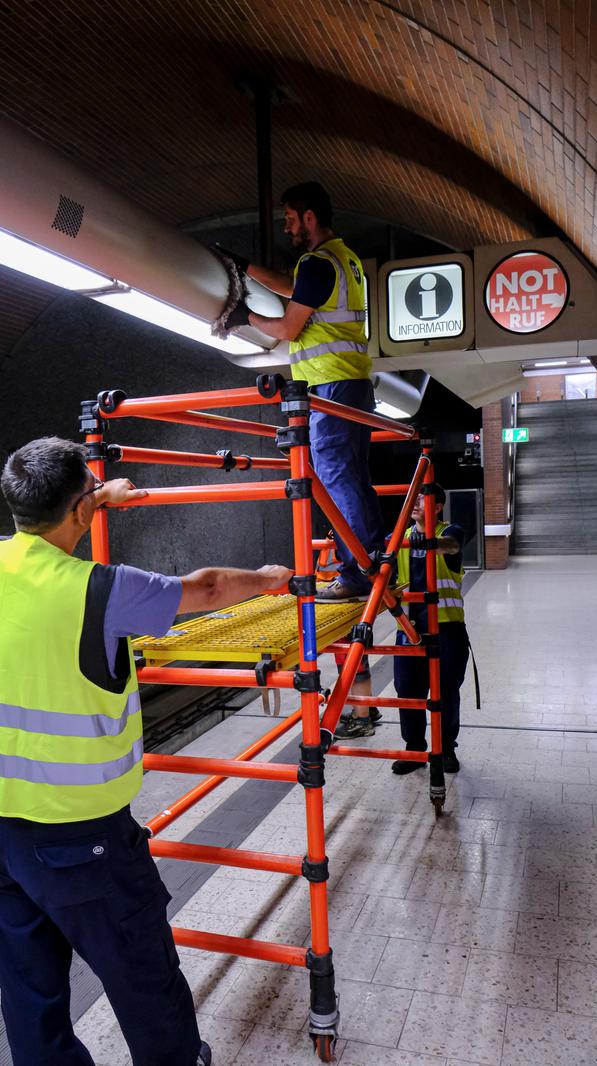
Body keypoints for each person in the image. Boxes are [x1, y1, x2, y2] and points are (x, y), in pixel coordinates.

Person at [0, 436, 292, 1066]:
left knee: (28, 988)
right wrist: (272, 581)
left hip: (5, 834)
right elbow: (208, 588)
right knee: (141, 974)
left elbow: (59, 517)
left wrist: (96, 496)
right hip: (83, 836)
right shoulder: (99, 590)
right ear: (80, 509)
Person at [221, 180, 386, 603]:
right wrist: (247, 267)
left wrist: (245, 317)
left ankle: (356, 573)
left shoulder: (317, 263)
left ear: (309, 217)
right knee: (354, 480)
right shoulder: (342, 259)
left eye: (291, 219)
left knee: (336, 480)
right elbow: (294, 288)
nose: (286, 227)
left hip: (331, 385)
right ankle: (374, 563)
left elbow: (288, 329)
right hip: (352, 384)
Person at [391, 484, 469, 776]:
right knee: (407, 691)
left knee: (446, 691)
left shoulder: (450, 532)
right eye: (412, 500)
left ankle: (446, 749)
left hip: (447, 629)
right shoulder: (400, 538)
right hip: (409, 629)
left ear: (437, 507)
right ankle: (414, 750)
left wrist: (430, 543)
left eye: (422, 500)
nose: (414, 505)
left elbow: (452, 546)